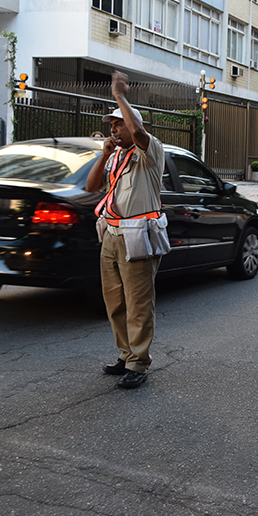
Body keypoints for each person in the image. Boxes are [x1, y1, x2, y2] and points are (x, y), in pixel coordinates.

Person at [85, 71, 166, 388]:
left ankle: (139, 362)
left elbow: (139, 131)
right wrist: (103, 153)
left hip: (137, 237)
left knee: (138, 304)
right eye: (112, 125)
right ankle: (125, 354)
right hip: (111, 235)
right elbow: (92, 187)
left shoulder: (150, 151)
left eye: (118, 123)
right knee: (115, 301)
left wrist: (120, 95)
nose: (114, 128)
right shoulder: (115, 156)